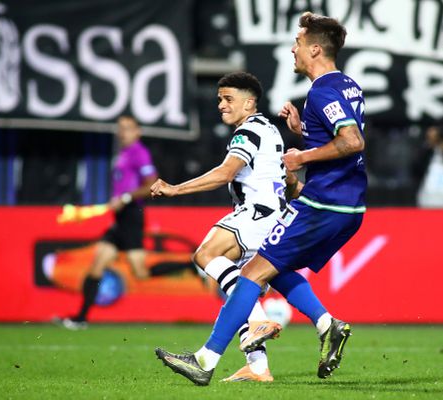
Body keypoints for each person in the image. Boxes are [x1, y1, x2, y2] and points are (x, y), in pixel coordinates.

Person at [154, 12, 367, 385]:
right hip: (347, 204)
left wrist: (303, 156)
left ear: (315, 49)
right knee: (273, 270)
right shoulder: (348, 86)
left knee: (231, 266)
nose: (293, 49)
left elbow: (352, 141)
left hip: (321, 202)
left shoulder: (320, 92)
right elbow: (340, 138)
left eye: (298, 43)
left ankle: (207, 359)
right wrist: (305, 131)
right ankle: (318, 329)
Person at [150, 71, 289, 382]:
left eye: (228, 99)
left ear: (249, 103)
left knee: (205, 254)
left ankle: (259, 321)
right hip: (273, 216)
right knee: (239, 289)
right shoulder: (269, 129)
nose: (221, 106)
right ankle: (258, 367)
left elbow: (226, 173)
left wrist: (175, 189)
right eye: (219, 100)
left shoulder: (248, 132)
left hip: (257, 212)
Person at [60, 115, 158, 330]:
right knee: (96, 265)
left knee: (140, 272)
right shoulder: (123, 153)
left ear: (137, 132)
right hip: (120, 218)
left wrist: (126, 198)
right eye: (120, 128)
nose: (122, 132)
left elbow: (151, 184)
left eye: (128, 128)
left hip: (132, 215)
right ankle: (80, 318)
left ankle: (190, 265)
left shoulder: (139, 153)